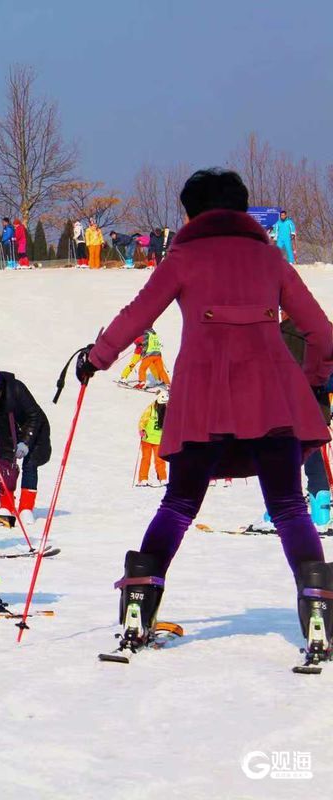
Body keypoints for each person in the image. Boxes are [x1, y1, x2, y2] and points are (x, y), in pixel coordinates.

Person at [74, 167, 333, 658]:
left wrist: (96, 359)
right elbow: (321, 333)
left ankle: (138, 607)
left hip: (203, 402)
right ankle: (319, 607)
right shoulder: (271, 258)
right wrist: (313, 381)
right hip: (273, 401)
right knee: (289, 507)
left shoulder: (183, 257)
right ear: (241, 210)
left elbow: (137, 314)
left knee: (177, 505)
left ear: (192, 214)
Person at [0, 371, 51, 525]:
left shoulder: (16, 388)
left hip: (33, 428)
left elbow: (35, 415)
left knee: (30, 465)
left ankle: (26, 508)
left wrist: (25, 442)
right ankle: (6, 506)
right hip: (6, 429)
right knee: (4, 465)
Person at [281, 311, 332, 524]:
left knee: (282, 458)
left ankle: (280, 511)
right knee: (312, 456)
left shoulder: (281, 334)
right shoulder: (324, 333)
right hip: (318, 407)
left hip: (289, 408)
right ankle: (321, 513)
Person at [136, 390, 169, 487]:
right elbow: (143, 420)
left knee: (160, 460)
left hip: (159, 440)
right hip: (147, 439)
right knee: (146, 459)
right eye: (163, 403)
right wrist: (142, 429)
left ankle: (163, 478)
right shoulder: (151, 408)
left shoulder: (168, 410)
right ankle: (143, 479)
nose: (165, 404)